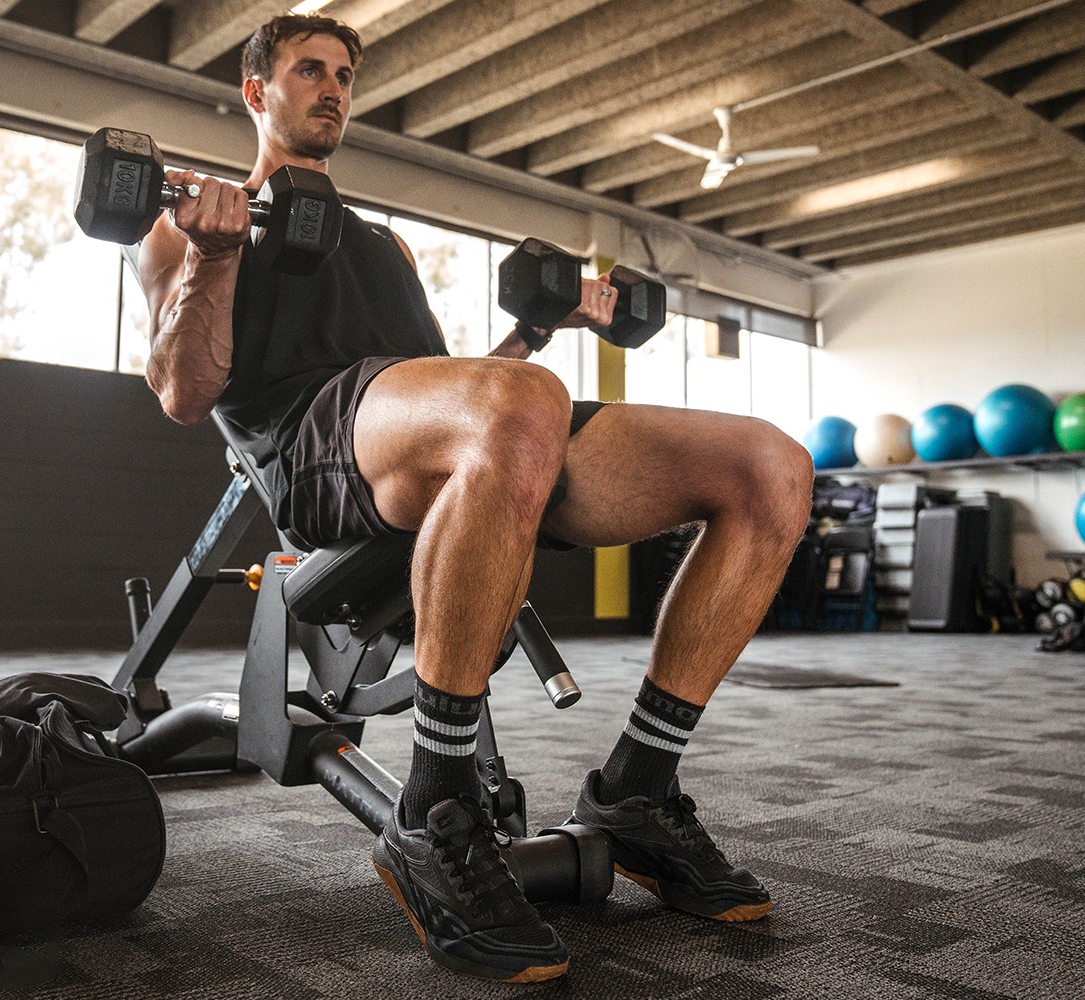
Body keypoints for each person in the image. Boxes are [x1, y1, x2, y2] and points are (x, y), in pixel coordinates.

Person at [137, 13, 814, 985]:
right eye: (307, 71)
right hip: (311, 444)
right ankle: (435, 804)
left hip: (414, 422)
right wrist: (215, 253)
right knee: (513, 407)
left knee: (767, 464)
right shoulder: (189, 218)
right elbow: (179, 391)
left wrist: (533, 333)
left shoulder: (386, 250)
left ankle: (636, 789)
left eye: (343, 74)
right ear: (256, 92)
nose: (331, 87)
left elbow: (466, 398)